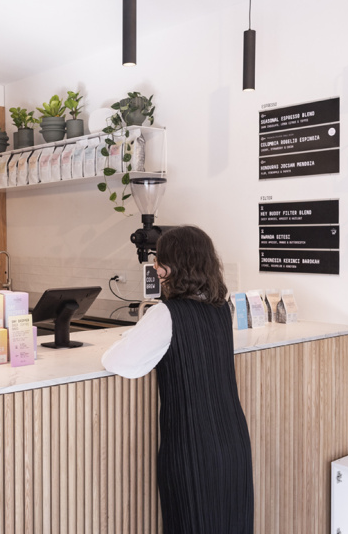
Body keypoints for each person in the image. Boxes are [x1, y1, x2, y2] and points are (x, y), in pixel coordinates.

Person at [101, 226, 253, 534]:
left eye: (159, 261)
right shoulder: (221, 309)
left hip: (192, 448)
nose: (155, 268)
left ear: (174, 266)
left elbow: (118, 362)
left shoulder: (166, 314)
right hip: (233, 442)